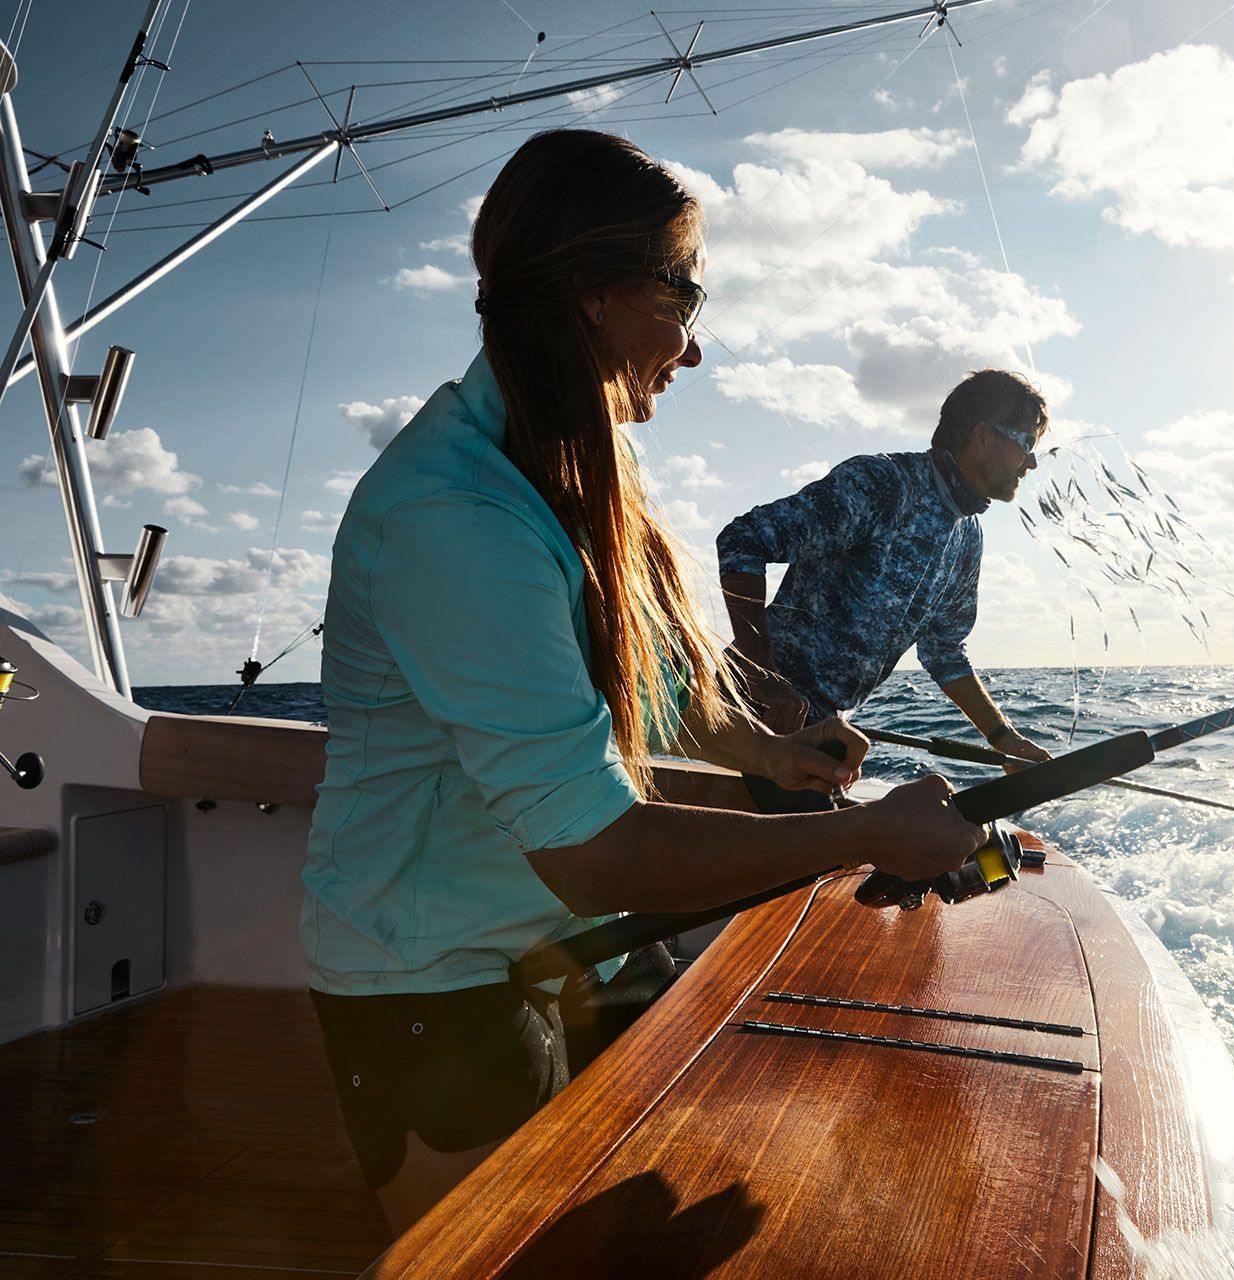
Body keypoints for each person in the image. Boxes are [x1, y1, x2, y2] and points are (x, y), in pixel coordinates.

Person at [300, 129, 985, 1237]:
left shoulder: (565, 458)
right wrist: (863, 836)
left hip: (575, 942)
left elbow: (654, 681)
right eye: (684, 295)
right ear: (591, 295)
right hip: (432, 979)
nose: (692, 347)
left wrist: (775, 749)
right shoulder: (456, 514)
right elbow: (594, 852)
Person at [716, 371, 1053, 767]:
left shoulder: (968, 537)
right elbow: (743, 539)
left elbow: (944, 651)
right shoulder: (884, 484)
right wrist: (763, 678)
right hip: (742, 716)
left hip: (821, 734)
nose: (1031, 462)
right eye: (1026, 443)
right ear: (982, 437)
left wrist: (1003, 737)